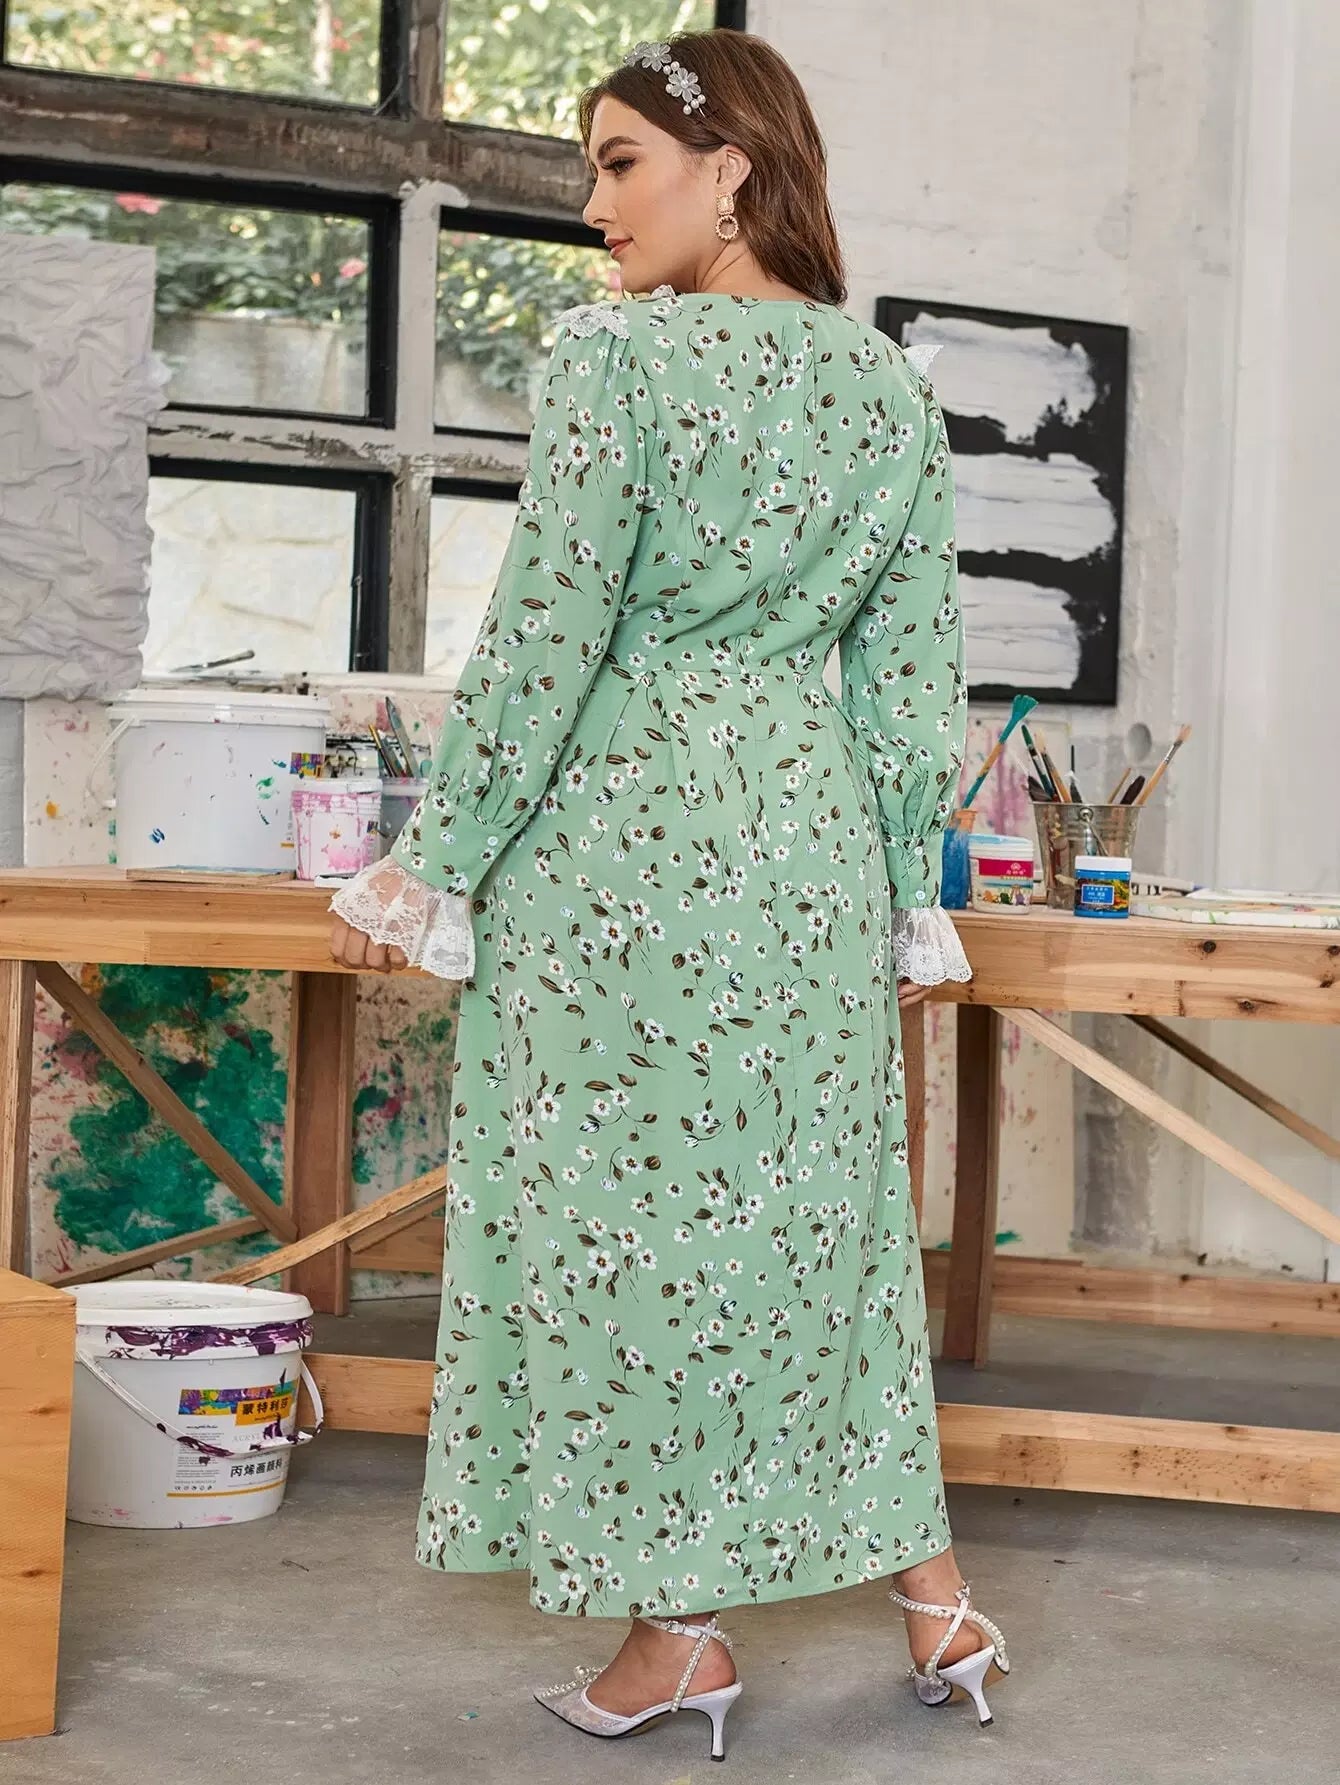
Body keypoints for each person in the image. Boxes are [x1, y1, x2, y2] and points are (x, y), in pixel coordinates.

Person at [329, 26, 1012, 1760]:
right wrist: (895, 886)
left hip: (621, 852)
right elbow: (913, 682)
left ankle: (673, 1635)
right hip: (805, 852)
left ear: (733, 169)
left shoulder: (619, 361)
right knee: (823, 1227)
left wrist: (436, 851)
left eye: (620, 162)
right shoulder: (891, 391)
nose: (593, 203)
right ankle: (939, 1604)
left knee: (620, 1240)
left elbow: (549, 633)